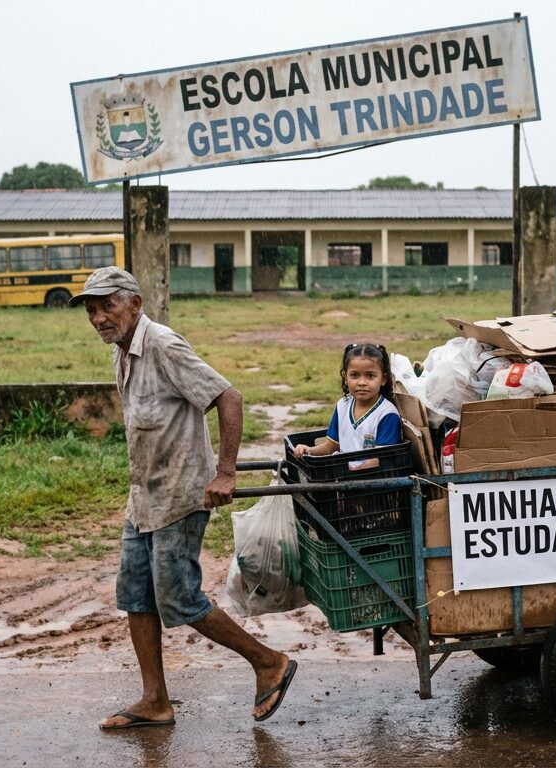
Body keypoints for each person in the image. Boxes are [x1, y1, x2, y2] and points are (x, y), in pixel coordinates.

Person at [70, 267, 296, 730]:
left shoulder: (163, 345)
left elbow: (228, 397)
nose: (97, 318)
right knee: (136, 596)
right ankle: (155, 700)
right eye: (92, 310)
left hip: (180, 497)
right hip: (144, 498)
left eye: (106, 306)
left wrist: (226, 472)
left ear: (134, 303)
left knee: (179, 598)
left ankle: (268, 661)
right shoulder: (122, 351)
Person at [293, 343, 402, 461]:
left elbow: (381, 461)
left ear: (383, 379)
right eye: (354, 375)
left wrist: (345, 468)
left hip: (369, 476)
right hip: (343, 473)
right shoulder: (343, 404)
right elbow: (331, 446)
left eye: (370, 376)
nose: (362, 382)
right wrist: (308, 450)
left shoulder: (387, 414)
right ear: (345, 377)